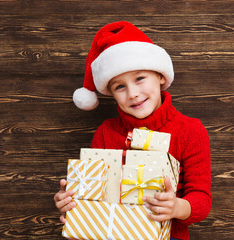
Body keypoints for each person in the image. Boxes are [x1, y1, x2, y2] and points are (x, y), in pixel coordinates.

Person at [53, 21, 212, 240]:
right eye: (120, 86)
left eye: (139, 78)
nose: (133, 93)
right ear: (111, 92)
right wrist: (74, 203)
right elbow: (94, 193)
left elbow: (202, 199)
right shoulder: (105, 132)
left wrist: (176, 207)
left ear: (161, 76)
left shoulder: (190, 130)